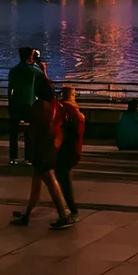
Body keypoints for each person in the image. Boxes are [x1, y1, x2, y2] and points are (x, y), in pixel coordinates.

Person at [13, 77, 74, 228]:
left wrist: (25, 128)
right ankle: (27, 215)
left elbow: (35, 126)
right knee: (37, 184)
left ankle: (63, 213)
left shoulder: (39, 106)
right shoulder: (56, 106)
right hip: (51, 147)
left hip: (41, 149)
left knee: (49, 180)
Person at [7, 47, 44, 163]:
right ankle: (29, 157)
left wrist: (10, 104)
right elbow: (44, 84)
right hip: (31, 105)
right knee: (30, 133)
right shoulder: (35, 71)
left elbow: (10, 90)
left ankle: (13, 157)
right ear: (30, 57)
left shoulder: (13, 71)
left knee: (14, 133)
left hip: (16, 105)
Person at [54, 86, 85, 220]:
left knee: (61, 178)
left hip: (66, 149)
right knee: (62, 177)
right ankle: (67, 208)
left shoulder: (63, 108)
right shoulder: (76, 110)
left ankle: (69, 209)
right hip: (75, 149)